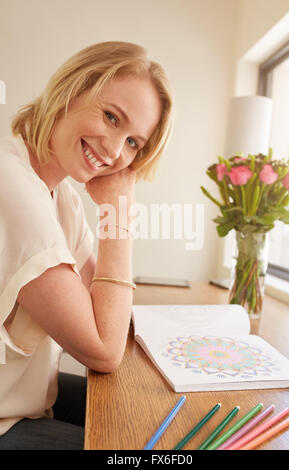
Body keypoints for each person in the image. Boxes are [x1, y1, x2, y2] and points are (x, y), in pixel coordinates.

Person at [0, 41, 173, 450]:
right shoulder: (12, 185)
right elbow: (104, 350)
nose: (115, 151)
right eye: (111, 117)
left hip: (28, 400)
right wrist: (119, 210)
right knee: (134, 449)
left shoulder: (61, 198)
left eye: (134, 143)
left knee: (151, 418)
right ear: (71, 90)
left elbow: (111, 316)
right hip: (6, 420)